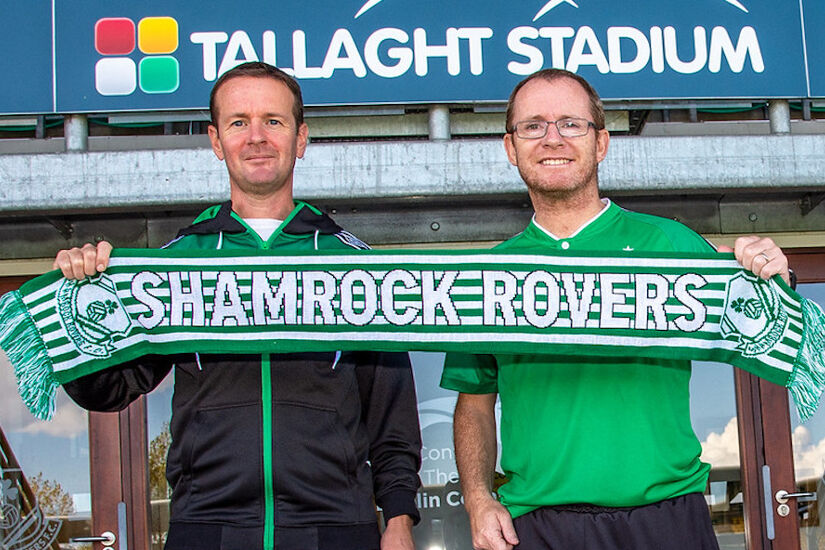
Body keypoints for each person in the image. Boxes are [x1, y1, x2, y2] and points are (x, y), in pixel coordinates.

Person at [53, 62, 422, 550]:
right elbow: (107, 390)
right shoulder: (174, 267)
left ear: (301, 138)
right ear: (215, 140)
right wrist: (77, 299)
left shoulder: (356, 268)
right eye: (238, 122)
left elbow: (391, 418)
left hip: (336, 526)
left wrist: (398, 520)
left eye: (273, 121)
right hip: (207, 526)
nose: (256, 137)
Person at [439, 68, 792, 550]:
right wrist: (478, 499)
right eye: (533, 126)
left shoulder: (669, 244)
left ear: (601, 142)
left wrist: (773, 275)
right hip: (539, 525)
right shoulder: (486, 278)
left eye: (570, 123)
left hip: (666, 519)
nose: (552, 138)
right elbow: (474, 403)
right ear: (511, 147)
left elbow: (769, 328)